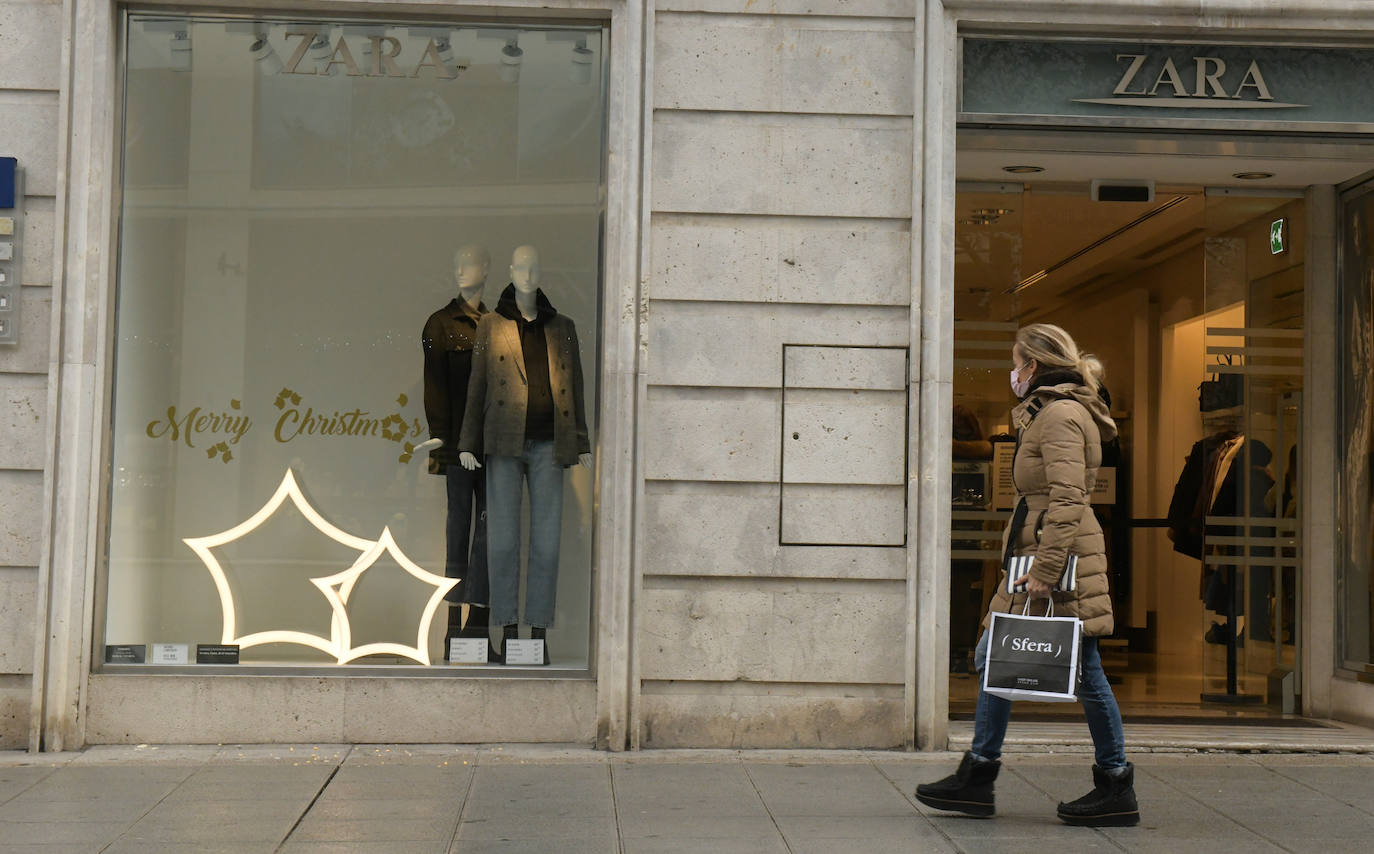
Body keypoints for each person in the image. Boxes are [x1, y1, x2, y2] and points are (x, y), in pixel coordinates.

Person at [916, 323, 1140, 827]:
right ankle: (981, 774)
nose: (1011, 374)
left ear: (1033, 366)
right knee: (999, 657)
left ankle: (1111, 783)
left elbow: (1067, 498)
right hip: (1043, 552)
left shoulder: (1059, 415)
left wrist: (1045, 570)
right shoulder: (1050, 413)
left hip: (1055, 558)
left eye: (1016, 363)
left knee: (1081, 672)